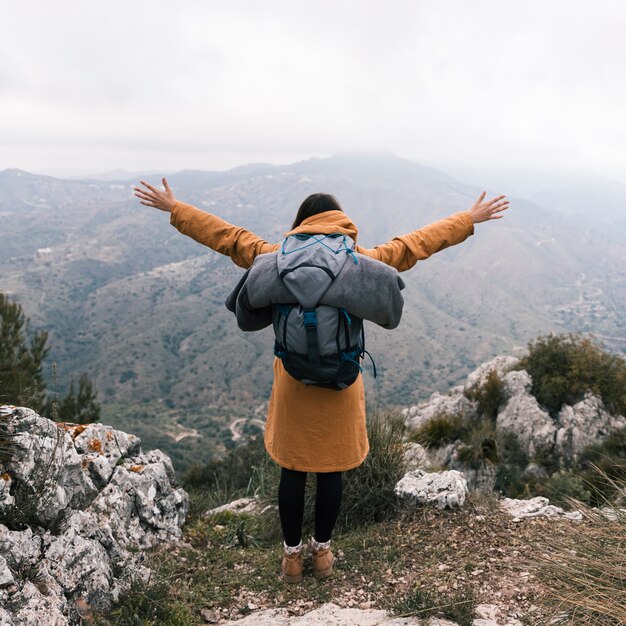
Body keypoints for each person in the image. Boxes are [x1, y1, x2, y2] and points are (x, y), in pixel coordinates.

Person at [134, 178, 509, 583]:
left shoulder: (275, 258)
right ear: (339, 223)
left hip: (293, 384)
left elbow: (228, 237)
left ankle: (292, 560)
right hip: (341, 384)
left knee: (292, 471)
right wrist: (467, 219)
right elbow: (412, 245)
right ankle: (324, 555)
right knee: (331, 471)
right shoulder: (360, 261)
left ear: (301, 223)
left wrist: (176, 209)